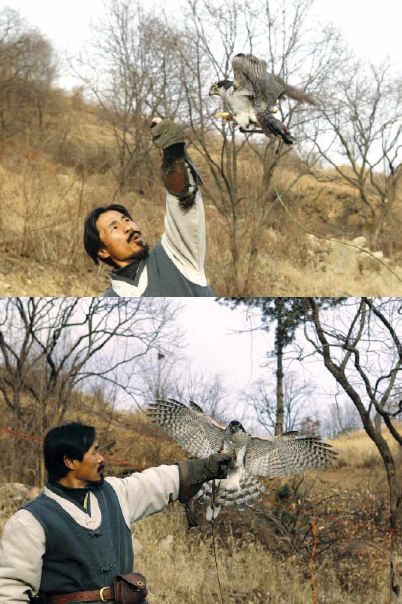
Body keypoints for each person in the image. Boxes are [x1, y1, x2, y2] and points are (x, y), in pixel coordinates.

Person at [0, 422, 233, 603]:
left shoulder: (114, 493)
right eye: (94, 452)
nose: (102, 458)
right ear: (70, 461)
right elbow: (10, 592)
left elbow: (155, 482)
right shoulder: (29, 522)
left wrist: (204, 468)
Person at [83, 118, 214, 297]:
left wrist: (173, 154)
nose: (128, 227)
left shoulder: (176, 256)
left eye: (127, 220)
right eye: (115, 227)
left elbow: (182, 199)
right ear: (102, 251)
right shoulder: (110, 299)